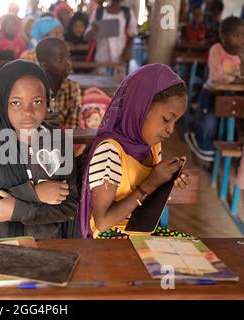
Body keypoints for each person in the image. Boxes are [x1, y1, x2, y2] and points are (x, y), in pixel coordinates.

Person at [79, 64, 192, 239]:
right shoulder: (109, 151)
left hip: (139, 230)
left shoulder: (152, 147)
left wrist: (167, 182)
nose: (171, 129)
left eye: (175, 122)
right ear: (140, 108)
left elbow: (149, 197)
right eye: (166, 119)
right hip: (107, 242)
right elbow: (102, 223)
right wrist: (151, 183)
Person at [0, 60, 79, 240]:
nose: (28, 112)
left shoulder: (59, 143)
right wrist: (34, 194)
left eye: (37, 101)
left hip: (49, 245)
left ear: (47, 102)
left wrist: (18, 209)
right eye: (16, 103)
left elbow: (69, 207)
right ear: (2, 103)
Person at [185, 17, 244, 161]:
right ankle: (200, 146)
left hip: (234, 96)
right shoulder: (216, 50)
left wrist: (242, 59)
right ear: (223, 36)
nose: (241, 39)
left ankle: (226, 153)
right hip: (212, 94)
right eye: (237, 35)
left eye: (243, 35)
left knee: (235, 123)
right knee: (209, 125)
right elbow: (217, 76)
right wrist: (236, 79)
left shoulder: (242, 54)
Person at [36, 38, 82, 129]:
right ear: (44, 65)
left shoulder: (73, 88)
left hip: (65, 140)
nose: (68, 63)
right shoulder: (34, 89)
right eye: (59, 59)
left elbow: (74, 127)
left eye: (68, 57)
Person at [84, 0, 138, 74]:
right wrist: (93, 31)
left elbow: (132, 36)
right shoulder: (99, 13)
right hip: (100, 62)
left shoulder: (127, 13)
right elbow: (87, 37)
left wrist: (126, 53)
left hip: (119, 62)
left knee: (118, 84)